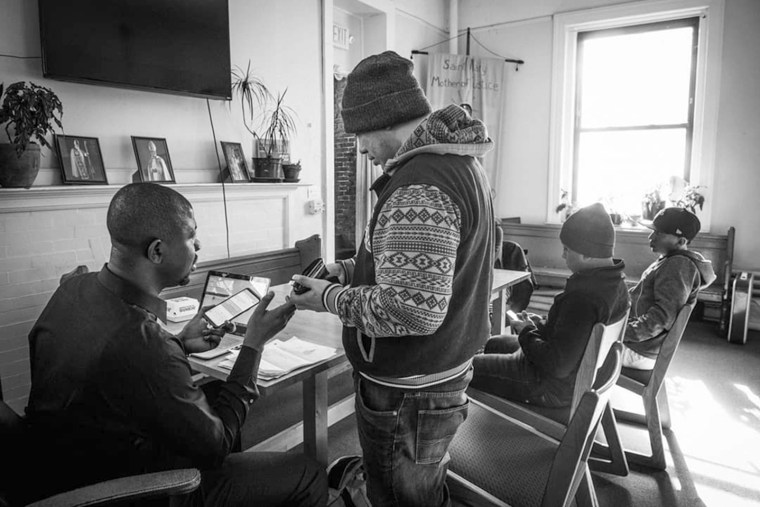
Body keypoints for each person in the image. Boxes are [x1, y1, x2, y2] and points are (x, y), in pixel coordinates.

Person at [25, 182, 327, 506]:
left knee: (210, 395)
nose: (198, 244)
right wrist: (253, 344)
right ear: (157, 251)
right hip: (130, 488)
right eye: (190, 236)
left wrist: (180, 344)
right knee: (308, 473)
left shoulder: (73, 288)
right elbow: (217, 446)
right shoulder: (146, 344)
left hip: (61, 465)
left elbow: (113, 375)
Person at [289, 51, 495, 506]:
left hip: (409, 392)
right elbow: (427, 267)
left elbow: (410, 311)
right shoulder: (458, 164)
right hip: (438, 376)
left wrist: (329, 298)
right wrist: (350, 270)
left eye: (360, 134)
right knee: (422, 487)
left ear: (384, 120)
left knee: (402, 498)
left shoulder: (419, 183)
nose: (360, 149)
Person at [470, 203, 630, 408]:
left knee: (465, 371)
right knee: (494, 343)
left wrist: (527, 331)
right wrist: (541, 325)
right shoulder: (616, 283)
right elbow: (571, 334)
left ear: (587, 253)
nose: (563, 256)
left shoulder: (584, 297)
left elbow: (557, 365)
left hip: (548, 385)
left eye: (567, 250)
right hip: (570, 374)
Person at [623, 207, 716, 369]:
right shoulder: (670, 261)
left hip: (640, 350)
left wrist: (620, 331)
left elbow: (661, 318)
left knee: (577, 341)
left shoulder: (678, 265)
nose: (651, 236)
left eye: (659, 233)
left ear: (681, 241)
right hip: (641, 345)